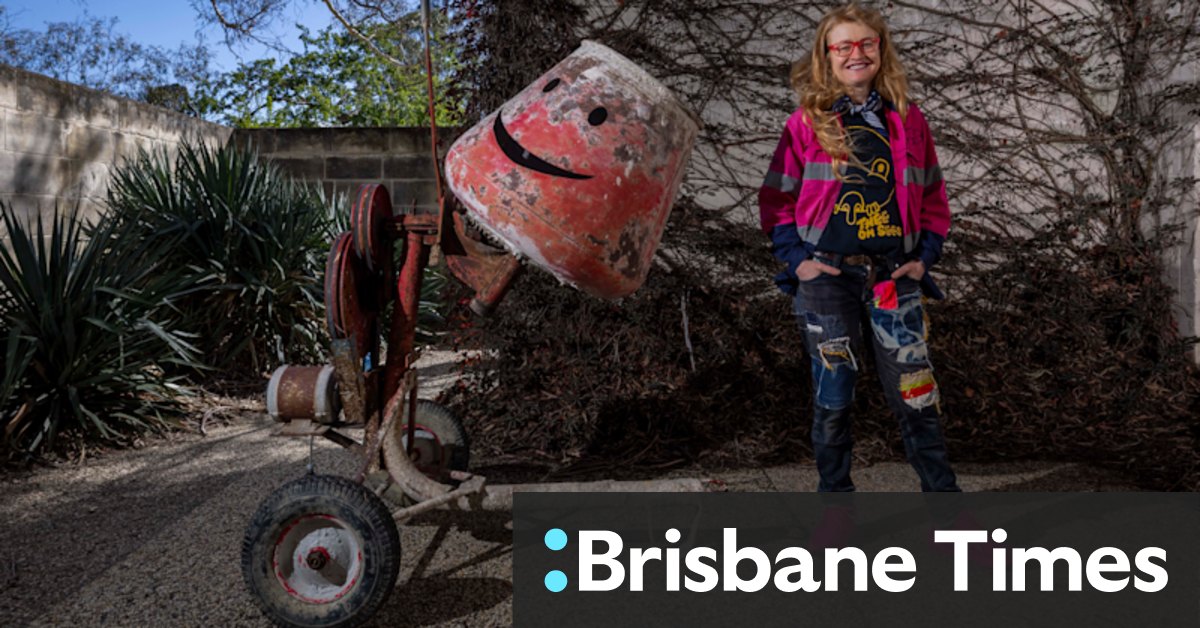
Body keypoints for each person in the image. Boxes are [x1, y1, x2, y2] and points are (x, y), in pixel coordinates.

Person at [758, 2, 960, 492]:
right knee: (834, 393)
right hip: (828, 280)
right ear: (826, 57)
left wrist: (924, 258)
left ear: (881, 50)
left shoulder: (909, 122)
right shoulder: (806, 123)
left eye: (867, 43)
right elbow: (775, 199)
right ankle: (836, 507)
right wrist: (799, 262)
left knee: (916, 392)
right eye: (843, 46)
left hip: (893, 278)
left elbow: (933, 196)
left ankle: (947, 510)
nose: (856, 53)